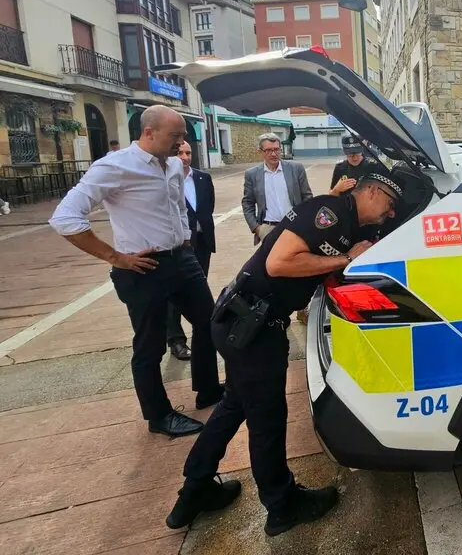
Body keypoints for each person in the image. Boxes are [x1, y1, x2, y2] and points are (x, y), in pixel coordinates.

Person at [166, 173, 402, 536]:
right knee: (267, 422)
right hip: (253, 328)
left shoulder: (345, 219)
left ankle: (195, 490)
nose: (390, 213)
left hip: (241, 321)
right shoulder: (330, 213)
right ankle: (282, 506)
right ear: (371, 191)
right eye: (390, 204)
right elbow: (278, 263)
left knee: (233, 407)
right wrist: (344, 259)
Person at [49, 105, 222, 437]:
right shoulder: (115, 166)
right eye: (175, 136)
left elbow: (177, 206)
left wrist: (185, 239)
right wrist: (115, 257)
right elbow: (65, 218)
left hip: (182, 260)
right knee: (150, 345)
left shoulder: (173, 164)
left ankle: (209, 389)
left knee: (210, 321)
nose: (181, 143)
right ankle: (159, 416)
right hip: (143, 267)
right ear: (149, 132)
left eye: (183, 135)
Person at [167, 142, 217, 362]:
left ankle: (203, 336)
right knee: (175, 293)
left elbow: (208, 206)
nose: (185, 157)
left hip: (202, 242)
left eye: (188, 153)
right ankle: (176, 340)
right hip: (178, 246)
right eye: (180, 153)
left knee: (198, 290)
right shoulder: (166, 179)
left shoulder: (203, 178)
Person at [242, 134, 313, 245]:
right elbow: (247, 202)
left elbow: (307, 197)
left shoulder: (296, 169)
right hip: (268, 229)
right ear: (260, 152)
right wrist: (256, 228)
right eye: (268, 150)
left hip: (295, 226)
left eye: (276, 149)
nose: (273, 154)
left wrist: (305, 221)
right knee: (271, 257)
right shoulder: (252, 174)